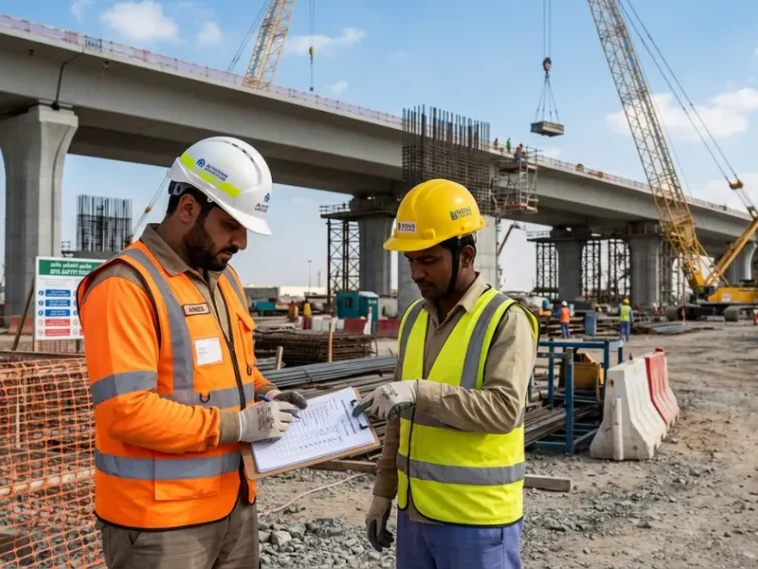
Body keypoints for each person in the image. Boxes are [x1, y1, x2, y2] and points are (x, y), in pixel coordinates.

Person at [77, 136, 308, 569]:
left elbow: (238, 374)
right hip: (160, 523)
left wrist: (268, 395)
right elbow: (126, 412)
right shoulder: (125, 287)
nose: (241, 242)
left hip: (233, 504)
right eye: (230, 225)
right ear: (187, 209)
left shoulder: (224, 282)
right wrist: (238, 424)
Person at [352, 178, 538, 569]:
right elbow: (399, 422)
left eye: (428, 260)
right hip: (415, 514)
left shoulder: (506, 320)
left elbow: (504, 410)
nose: (416, 273)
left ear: (466, 255)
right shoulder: (414, 319)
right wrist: (384, 491)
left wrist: (420, 392)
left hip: (476, 522)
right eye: (410, 261)